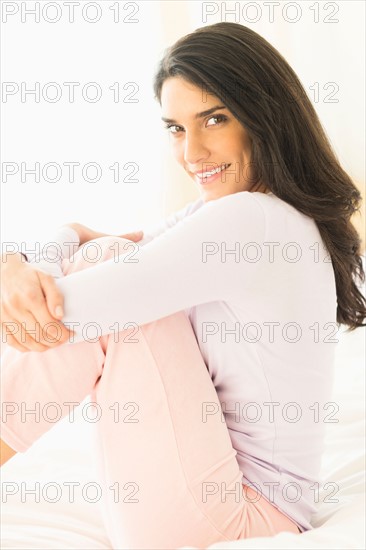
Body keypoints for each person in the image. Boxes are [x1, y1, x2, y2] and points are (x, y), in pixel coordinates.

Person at [1, 22, 365, 550]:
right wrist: (14, 264)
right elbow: (84, 238)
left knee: (105, 280)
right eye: (175, 128)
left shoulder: (251, 220)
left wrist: (19, 280)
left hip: (236, 516)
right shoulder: (247, 216)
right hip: (212, 502)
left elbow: (63, 310)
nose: (192, 151)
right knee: (106, 260)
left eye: (214, 119)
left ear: (265, 119)